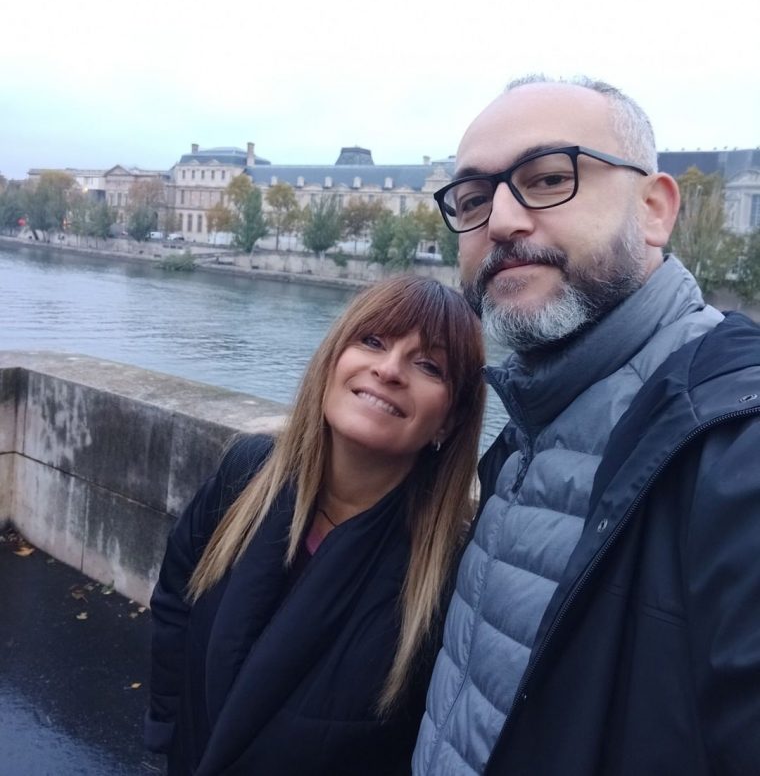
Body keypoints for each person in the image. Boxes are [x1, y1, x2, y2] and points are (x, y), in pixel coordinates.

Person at [414, 75, 760, 775]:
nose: (501, 221)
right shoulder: (524, 434)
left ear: (655, 210)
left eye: (548, 179)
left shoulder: (737, 444)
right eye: (474, 199)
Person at [145, 275, 485, 776]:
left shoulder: (447, 578)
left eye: (429, 366)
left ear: (449, 421)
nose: (389, 369)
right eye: (373, 340)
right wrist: (167, 729)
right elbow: (176, 596)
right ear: (332, 359)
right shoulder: (247, 472)